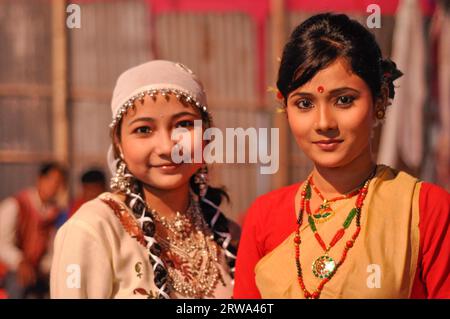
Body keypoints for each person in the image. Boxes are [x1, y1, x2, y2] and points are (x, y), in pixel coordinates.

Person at [234, 13, 450, 299]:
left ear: (380, 100)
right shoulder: (263, 217)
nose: (324, 123)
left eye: (344, 100)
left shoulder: (425, 209)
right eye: (305, 103)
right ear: (285, 108)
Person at [50, 60, 237, 299]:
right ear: (119, 144)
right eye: (144, 130)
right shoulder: (94, 230)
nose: (167, 147)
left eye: (184, 125)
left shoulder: (227, 235)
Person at [0, 162, 66, 298]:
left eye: (58, 183)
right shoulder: (15, 205)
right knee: (18, 284)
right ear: (40, 179)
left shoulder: (55, 213)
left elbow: (51, 251)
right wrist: (20, 262)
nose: (54, 186)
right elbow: (2, 244)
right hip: (9, 270)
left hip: (36, 271)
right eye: (51, 180)